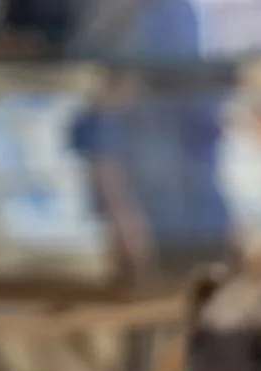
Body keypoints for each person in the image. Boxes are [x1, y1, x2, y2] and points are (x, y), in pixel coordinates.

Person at [68, 0, 237, 284]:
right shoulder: (121, 17)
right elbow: (104, 124)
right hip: (152, 215)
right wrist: (120, 215)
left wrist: (228, 216)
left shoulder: (181, 13)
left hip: (197, 213)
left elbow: (202, 130)